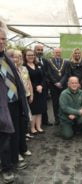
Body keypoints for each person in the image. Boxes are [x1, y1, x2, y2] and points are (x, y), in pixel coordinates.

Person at [0, 25, 29, 183]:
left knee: (14, 135)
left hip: (14, 103)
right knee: (4, 137)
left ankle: (12, 161)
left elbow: (16, 83)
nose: (1, 41)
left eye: (3, 38)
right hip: (2, 107)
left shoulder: (6, 59)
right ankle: (6, 169)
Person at [12, 50, 32, 158]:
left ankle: (23, 149)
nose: (17, 59)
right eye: (15, 57)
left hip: (23, 99)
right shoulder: (9, 70)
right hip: (13, 101)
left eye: (19, 57)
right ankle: (16, 153)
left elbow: (28, 82)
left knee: (22, 125)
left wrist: (30, 94)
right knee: (15, 129)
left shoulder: (23, 69)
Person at [24, 49, 46, 134]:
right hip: (31, 91)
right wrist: (36, 87)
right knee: (33, 110)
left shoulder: (38, 64)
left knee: (40, 110)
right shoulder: (24, 66)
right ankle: (32, 128)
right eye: (28, 55)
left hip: (41, 90)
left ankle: (39, 127)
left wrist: (41, 86)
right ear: (25, 56)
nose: (31, 57)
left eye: (32, 55)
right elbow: (26, 80)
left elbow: (44, 76)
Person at [47, 48, 69, 125]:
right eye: (56, 52)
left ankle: (63, 117)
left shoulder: (66, 62)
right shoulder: (49, 62)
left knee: (63, 102)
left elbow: (67, 73)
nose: (58, 54)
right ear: (53, 53)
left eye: (59, 52)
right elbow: (49, 73)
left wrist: (61, 82)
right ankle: (57, 119)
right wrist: (56, 82)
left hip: (63, 85)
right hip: (53, 86)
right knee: (55, 103)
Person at [34, 44, 51, 126]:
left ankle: (45, 121)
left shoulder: (45, 61)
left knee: (44, 103)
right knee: (36, 104)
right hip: (35, 86)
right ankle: (37, 123)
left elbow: (47, 72)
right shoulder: (32, 60)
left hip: (44, 85)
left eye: (41, 50)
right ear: (35, 50)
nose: (40, 51)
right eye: (38, 50)